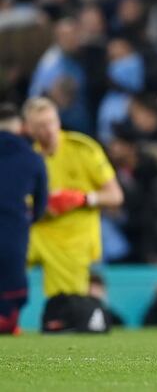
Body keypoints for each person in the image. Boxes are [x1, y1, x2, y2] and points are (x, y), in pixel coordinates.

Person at [22, 97, 124, 331]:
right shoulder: (29, 159)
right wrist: (42, 206)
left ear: (58, 121)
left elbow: (116, 196)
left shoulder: (82, 150)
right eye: (40, 126)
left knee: (66, 307)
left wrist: (84, 198)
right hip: (36, 231)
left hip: (72, 240)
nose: (48, 131)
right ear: (29, 129)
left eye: (51, 123)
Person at [0, 103, 48, 334]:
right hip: (14, 229)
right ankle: (9, 321)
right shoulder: (32, 158)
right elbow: (41, 203)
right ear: (19, 127)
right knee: (11, 281)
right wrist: (30, 220)